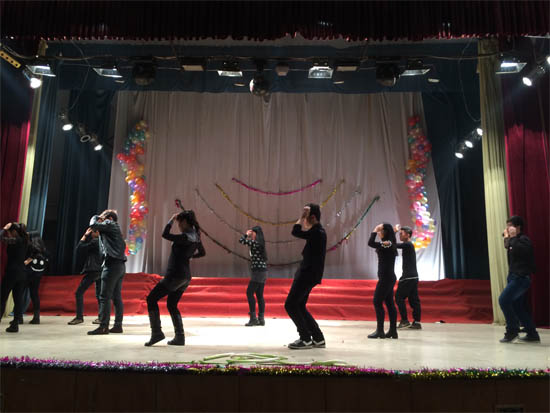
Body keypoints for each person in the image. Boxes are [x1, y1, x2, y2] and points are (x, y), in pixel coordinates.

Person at [144, 210, 205, 346]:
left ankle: (156, 333)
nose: (179, 226)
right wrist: (188, 257)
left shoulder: (184, 237)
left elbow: (165, 234)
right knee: (172, 304)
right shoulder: (196, 237)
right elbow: (202, 253)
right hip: (185, 277)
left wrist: (171, 220)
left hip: (175, 275)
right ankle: (180, 336)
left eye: (179, 223)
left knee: (151, 299)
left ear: (185, 222)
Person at [285, 204, 327, 350]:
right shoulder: (318, 231)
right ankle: (318, 338)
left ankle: (305, 338)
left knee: (290, 305)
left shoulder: (317, 232)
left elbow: (295, 231)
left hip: (307, 274)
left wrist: (301, 218)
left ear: (312, 217)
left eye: (306, 216)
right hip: (310, 274)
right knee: (299, 305)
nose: (304, 219)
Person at [498, 216, 540, 343]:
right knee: (518, 306)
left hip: (520, 278)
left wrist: (512, 236)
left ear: (518, 227)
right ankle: (532, 334)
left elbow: (518, 250)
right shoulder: (513, 240)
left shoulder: (524, 240)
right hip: (513, 276)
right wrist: (508, 237)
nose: (507, 228)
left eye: (510, 226)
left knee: (503, 300)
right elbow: (508, 245)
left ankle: (512, 330)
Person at [87, 210, 127, 335]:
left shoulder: (110, 224)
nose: (101, 221)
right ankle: (118, 326)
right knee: (116, 297)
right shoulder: (115, 230)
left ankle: (103, 326)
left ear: (109, 218)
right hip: (120, 266)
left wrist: (96, 216)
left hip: (112, 266)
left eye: (103, 218)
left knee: (104, 297)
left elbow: (93, 225)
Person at [367, 223, 398, 339]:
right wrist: (392, 231)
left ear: (385, 232)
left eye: (380, 230)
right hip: (387, 278)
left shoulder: (388, 243)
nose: (378, 232)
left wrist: (374, 230)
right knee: (389, 303)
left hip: (386, 278)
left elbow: (371, 243)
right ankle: (393, 331)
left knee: (377, 301)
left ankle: (380, 330)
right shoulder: (388, 242)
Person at [68, 228, 102, 325]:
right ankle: (101, 317)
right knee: (99, 295)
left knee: (79, 293)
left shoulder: (95, 241)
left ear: (97, 232)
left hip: (93, 270)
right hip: (101, 270)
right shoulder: (103, 241)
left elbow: (79, 248)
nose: (91, 234)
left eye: (92, 232)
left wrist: (84, 236)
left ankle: (79, 317)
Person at [0, 222, 30, 333]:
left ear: (14, 232)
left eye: (9, 232)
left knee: (2, 298)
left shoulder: (16, 240)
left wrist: (4, 228)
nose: (8, 234)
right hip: (22, 273)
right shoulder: (25, 240)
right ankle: (15, 324)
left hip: (12, 273)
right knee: (18, 300)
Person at [239, 226, 268, 327]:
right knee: (259, 295)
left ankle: (253, 318)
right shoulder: (261, 243)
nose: (252, 235)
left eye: (253, 233)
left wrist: (246, 234)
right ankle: (261, 319)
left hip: (258, 271)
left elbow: (241, 241)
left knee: (249, 292)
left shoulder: (255, 243)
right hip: (262, 271)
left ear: (256, 233)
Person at [394, 225, 421, 330]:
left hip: (408, 277)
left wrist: (393, 232)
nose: (400, 235)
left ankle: (404, 321)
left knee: (399, 297)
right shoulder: (408, 245)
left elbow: (393, 245)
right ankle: (417, 322)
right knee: (414, 300)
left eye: (401, 233)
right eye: (399, 233)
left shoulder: (408, 244)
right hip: (413, 276)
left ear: (408, 235)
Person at [18, 233, 48, 325]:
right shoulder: (43, 249)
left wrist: (25, 262)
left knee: (19, 294)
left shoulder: (30, 247)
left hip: (28, 273)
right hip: (38, 274)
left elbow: (28, 258)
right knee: (34, 294)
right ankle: (36, 317)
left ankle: (18, 317)